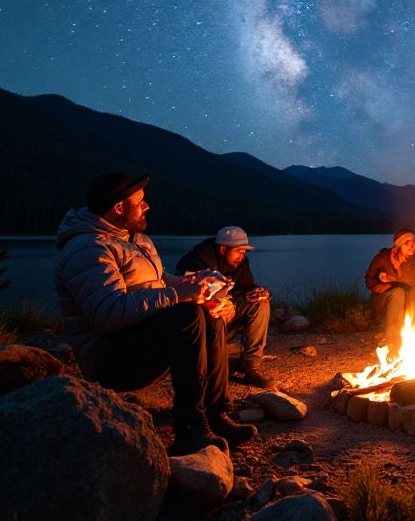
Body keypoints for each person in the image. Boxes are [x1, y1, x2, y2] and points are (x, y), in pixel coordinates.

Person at [55, 173, 256, 456]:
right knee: (187, 315)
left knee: (207, 311)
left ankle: (215, 414)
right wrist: (179, 296)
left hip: (140, 340)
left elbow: (162, 280)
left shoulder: (137, 241)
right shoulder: (87, 249)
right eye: (140, 202)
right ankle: (189, 430)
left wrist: (197, 284)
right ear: (119, 208)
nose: (147, 206)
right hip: (110, 359)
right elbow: (107, 312)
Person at [176, 225, 273, 387]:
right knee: (216, 308)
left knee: (260, 304)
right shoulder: (199, 260)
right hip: (200, 324)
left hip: (226, 315)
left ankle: (251, 366)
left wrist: (257, 292)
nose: (242, 256)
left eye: (244, 252)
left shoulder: (240, 263)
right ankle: (207, 365)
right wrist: (227, 300)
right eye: (239, 251)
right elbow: (193, 297)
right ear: (223, 250)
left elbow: (246, 287)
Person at [364, 228, 415, 345]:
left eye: (414, 244)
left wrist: (406, 289)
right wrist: (381, 280)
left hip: (405, 298)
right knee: (398, 293)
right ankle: (391, 336)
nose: (413, 247)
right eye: (408, 244)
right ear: (399, 245)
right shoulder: (382, 259)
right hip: (383, 299)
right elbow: (369, 280)